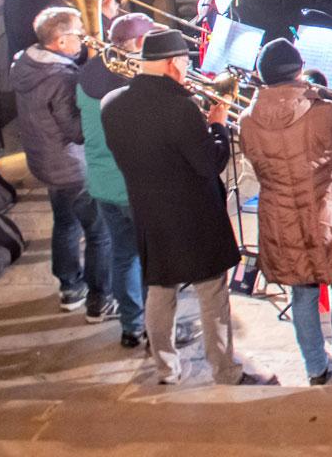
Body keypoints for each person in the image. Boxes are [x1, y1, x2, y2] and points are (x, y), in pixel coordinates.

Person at [100, 28, 277, 386]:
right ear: (169, 66)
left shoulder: (112, 105)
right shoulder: (181, 109)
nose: (184, 72)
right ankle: (226, 371)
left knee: (160, 290)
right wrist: (215, 125)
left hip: (149, 213)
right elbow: (209, 163)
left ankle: (166, 369)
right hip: (194, 217)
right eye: (182, 65)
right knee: (212, 293)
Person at [238, 38, 332, 386]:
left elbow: (255, 160)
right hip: (326, 211)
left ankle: (316, 368)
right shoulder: (323, 111)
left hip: (280, 216)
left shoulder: (246, 119)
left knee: (300, 288)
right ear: (299, 70)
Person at [9, 6, 113, 319]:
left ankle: (70, 288)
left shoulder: (26, 65)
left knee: (66, 223)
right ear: (60, 41)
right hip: (72, 168)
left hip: (45, 162)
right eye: (78, 34)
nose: (83, 38)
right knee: (100, 233)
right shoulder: (61, 80)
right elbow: (78, 132)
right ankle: (101, 299)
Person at [76, 12, 158, 349]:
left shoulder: (86, 73)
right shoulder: (136, 80)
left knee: (123, 256)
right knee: (154, 261)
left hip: (102, 182)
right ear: (138, 43)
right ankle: (158, 332)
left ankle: (131, 328)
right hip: (135, 185)